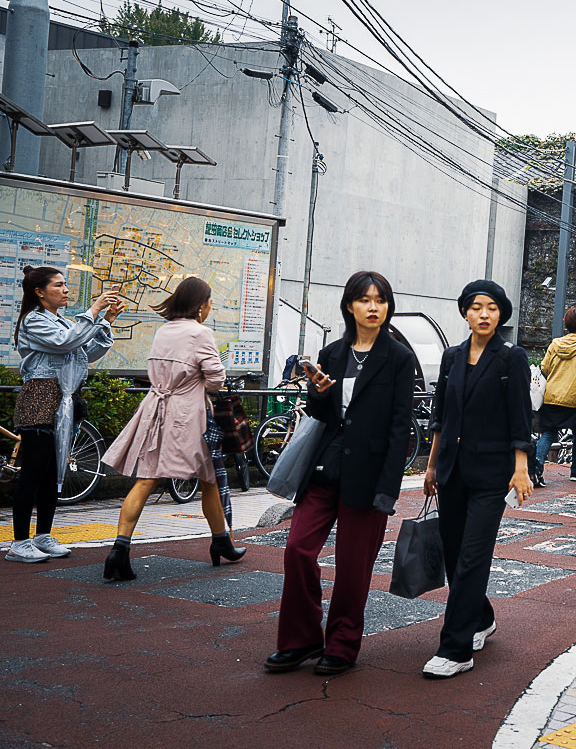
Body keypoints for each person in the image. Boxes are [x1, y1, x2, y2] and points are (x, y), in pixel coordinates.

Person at [265, 271, 416, 676]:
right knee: (297, 549)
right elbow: (319, 414)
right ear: (350, 305)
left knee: (353, 567)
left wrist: (389, 488)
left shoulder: (399, 358)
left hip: (368, 477)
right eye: (364, 300)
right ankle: (301, 639)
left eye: (380, 300)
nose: (373, 307)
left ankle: (343, 644)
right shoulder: (333, 352)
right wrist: (316, 393)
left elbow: (402, 427)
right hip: (323, 468)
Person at [421, 280, 532, 679]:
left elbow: (521, 417)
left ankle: (456, 648)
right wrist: (431, 467)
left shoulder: (511, 358)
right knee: (454, 556)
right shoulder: (451, 358)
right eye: (476, 307)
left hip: (491, 475)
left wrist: (521, 468)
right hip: (451, 471)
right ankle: (481, 616)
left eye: (491, 308)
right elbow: (441, 417)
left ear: (500, 314)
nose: (484, 314)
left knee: (472, 557)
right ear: (465, 313)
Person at [101, 277, 244, 579]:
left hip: (155, 410)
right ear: (200, 305)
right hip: (188, 414)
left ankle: (119, 549)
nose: (209, 308)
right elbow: (216, 378)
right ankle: (221, 543)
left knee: (146, 479)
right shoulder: (200, 333)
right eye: (208, 302)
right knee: (208, 479)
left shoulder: (163, 330)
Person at [4, 266, 120, 564]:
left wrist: (106, 320)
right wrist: (94, 310)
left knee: (53, 471)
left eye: (66, 285)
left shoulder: (61, 321)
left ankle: (43, 535)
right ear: (39, 292)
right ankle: (19, 542)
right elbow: (65, 342)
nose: (66, 290)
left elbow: (84, 352)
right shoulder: (33, 321)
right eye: (59, 285)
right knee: (33, 472)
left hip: (62, 399)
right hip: (40, 399)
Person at [535, 307, 576, 485]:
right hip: (574, 400)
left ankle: (536, 469)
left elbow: (544, 368)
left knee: (547, 434)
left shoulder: (555, 344)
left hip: (552, 398)